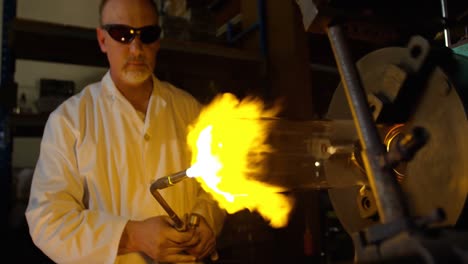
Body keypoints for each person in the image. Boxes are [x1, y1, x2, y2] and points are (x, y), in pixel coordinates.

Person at [25, 0, 226, 263]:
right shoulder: (69, 120)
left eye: (147, 35)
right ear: (102, 39)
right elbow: (48, 220)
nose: (136, 49)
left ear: (158, 40)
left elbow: (216, 186)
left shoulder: (189, 110)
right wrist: (132, 236)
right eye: (122, 34)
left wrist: (205, 220)